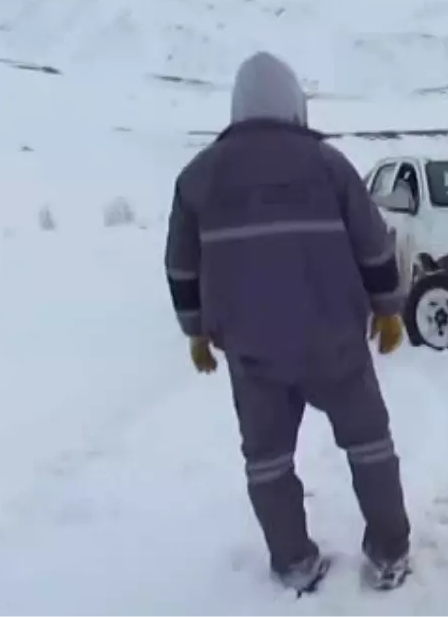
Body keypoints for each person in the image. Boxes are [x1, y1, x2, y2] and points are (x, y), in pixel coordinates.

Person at [163, 51, 413, 592]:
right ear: (294, 106)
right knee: (369, 445)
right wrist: (388, 309)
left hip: (253, 355)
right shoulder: (328, 165)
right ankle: (389, 551)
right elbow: (373, 245)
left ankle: (294, 561)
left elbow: (182, 265)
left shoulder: (198, 177)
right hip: (336, 345)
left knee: (267, 462)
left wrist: (196, 331)